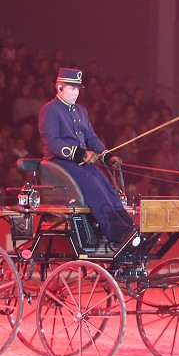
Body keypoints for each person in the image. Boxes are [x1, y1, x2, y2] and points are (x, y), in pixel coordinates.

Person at [38, 67, 134, 246]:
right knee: (95, 187)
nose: (76, 93)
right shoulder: (50, 110)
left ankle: (128, 228)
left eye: (77, 89)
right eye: (72, 89)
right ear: (59, 87)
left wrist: (107, 157)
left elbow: (92, 137)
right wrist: (80, 154)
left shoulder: (81, 111)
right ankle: (117, 234)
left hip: (81, 163)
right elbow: (52, 143)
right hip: (61, 162)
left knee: (108, 187)